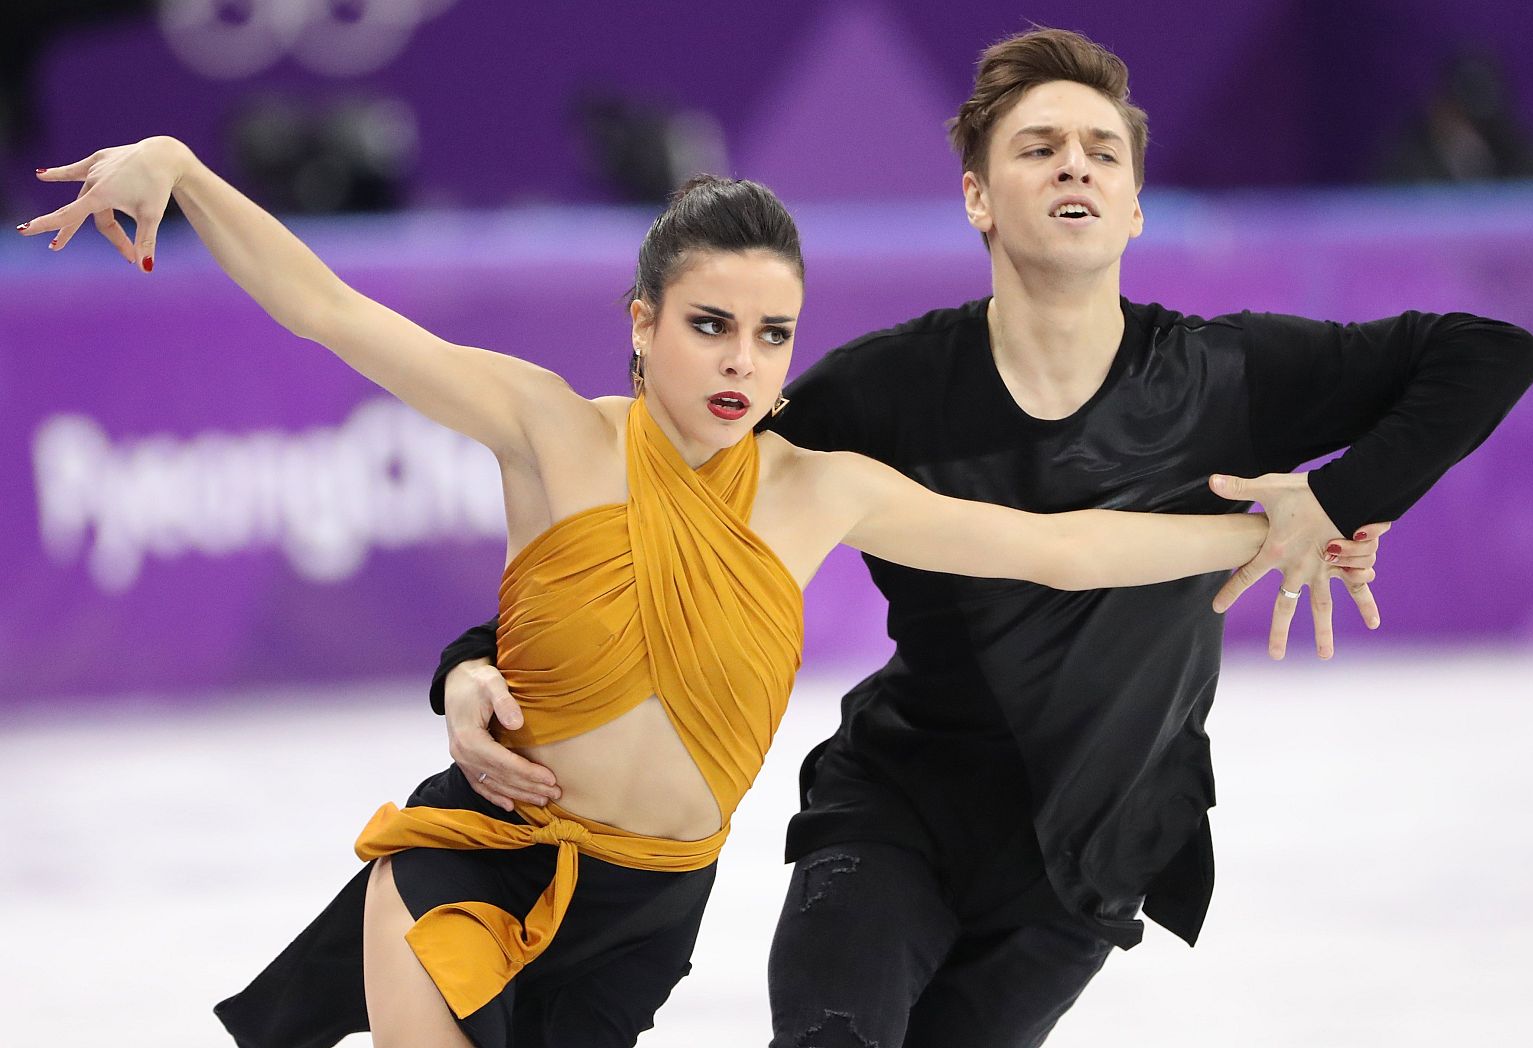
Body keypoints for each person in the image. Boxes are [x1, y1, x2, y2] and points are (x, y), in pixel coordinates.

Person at [15, 137, 1344, 1048]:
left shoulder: (821, 489)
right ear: (643, 321)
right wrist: (182, 172)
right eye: (709, 325)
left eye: (772, 336)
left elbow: (1060, 548)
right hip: (474, 857)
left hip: (646, 909)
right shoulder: (552, 430)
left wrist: (1266, 531)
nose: (741, 363)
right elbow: (330, 311)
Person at [427, 27, 1533, 1048]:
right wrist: (474, 659)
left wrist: (1333, 499)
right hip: (893, 813)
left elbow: (1488, 351)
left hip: (1086, 865)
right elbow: (663, 514)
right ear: (975, 197)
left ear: (1136, 204)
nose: (1076, 166)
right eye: (1041, 147)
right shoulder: (880, 393)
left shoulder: (1226, 377)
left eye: (1104, 152)